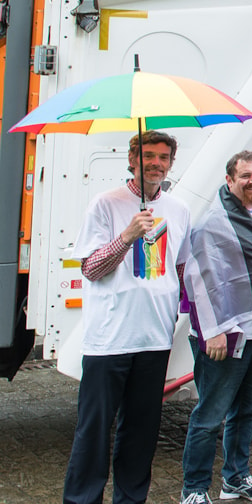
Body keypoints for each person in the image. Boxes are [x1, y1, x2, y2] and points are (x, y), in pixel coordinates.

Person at [63, 131, 192, 504]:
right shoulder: (105, 204)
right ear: (132, 159)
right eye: (148, 155)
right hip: (109, 339)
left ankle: (131, 499)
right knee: (94, 430)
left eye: (163, 157)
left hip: (154, 338)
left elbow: (180, 271)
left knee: (141, 433)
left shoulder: (179, 210)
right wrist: (127, 236)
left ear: (171, 163)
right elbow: (90, 268)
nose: (156, 163)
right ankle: (82, 499)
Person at [181, 151, 252, 504]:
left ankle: (235, 478)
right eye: (245, 176)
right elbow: (198, 279)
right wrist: (212, 330)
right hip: (226, 336)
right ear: (229, 180)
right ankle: (194, 489)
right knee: (210, 415)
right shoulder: (213, 221)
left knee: (247, 411)